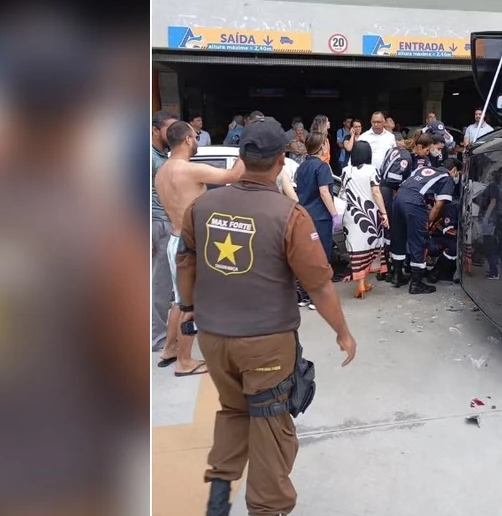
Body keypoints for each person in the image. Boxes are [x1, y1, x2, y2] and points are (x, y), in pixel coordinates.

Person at [174, 116, 356, 516]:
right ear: (279, 162)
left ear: (241, 157)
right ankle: (266, 508)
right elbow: (320, 285)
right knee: (271, 423)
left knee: (233, 410)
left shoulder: (202, 206)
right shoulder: (289, 215)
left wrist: (188, 307)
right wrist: (342, 331)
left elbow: (185, 260)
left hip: (213, 338)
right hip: (266, 344)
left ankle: (218, 495)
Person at [155, 121, 250, 376]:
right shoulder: (189, 170)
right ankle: (184, 361)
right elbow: (233, 176)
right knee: (192, 305)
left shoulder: (162, 172)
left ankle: (169, 349)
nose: (197, 140)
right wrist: (246, 148)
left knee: (180, 301)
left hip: (175, 240)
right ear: (187, 139)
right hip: (190, 245)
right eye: (195, 136)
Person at [391, 159, 458, 294]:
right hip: (414, 202)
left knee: (399, 237)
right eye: (458, 174)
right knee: (419, 241)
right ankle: (416, 283)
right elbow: (438, 205)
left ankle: (397, 275)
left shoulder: (422, 169)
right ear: (454, 170)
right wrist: (426, 223)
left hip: (398, 198)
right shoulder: (447, 178)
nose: (457, 177)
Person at [381, 133, 434, 283]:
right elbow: (395, 179)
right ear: (419, 146)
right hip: (397, 195)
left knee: (394, 234)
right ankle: (399, 271)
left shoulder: (398, 150)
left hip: (390, 194)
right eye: (427, 150)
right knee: (404, 234)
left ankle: (392, 271)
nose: (428, 153)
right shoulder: (409, 158)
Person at [293, 133, 338, 306]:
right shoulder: (322, 166)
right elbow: (324, 192)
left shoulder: (301, 166)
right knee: (321, 256)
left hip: (304, 216)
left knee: (306, 256)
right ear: (321, 147)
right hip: (320, 217)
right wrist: (334, 214)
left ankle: (305, 294)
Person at [341, 141, 389, 297]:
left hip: (351, 215)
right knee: (370, 248)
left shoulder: (345, 170)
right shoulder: (372, 170)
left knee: (357, 249)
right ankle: (362, 283)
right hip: (370, 215)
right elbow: (376, 192)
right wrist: (384, 213)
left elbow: (343, 192)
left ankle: (362, 283)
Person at [152, 110, 179, 352]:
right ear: (154, 131)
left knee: (160, 285)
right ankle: (157, 338)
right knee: (158, 285)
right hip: (155, 224)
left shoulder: (162, 156)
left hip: (163, 223)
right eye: (169, 129)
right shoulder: (149, 156)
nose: (173, 134)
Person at [426, 157, 463, 282]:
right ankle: (435, 273)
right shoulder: (448, 198)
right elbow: (448, 231)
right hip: (431, 237)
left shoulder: (433, 179)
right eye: (458, 173)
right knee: (455, 246)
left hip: (422, 231)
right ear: (454, 170)